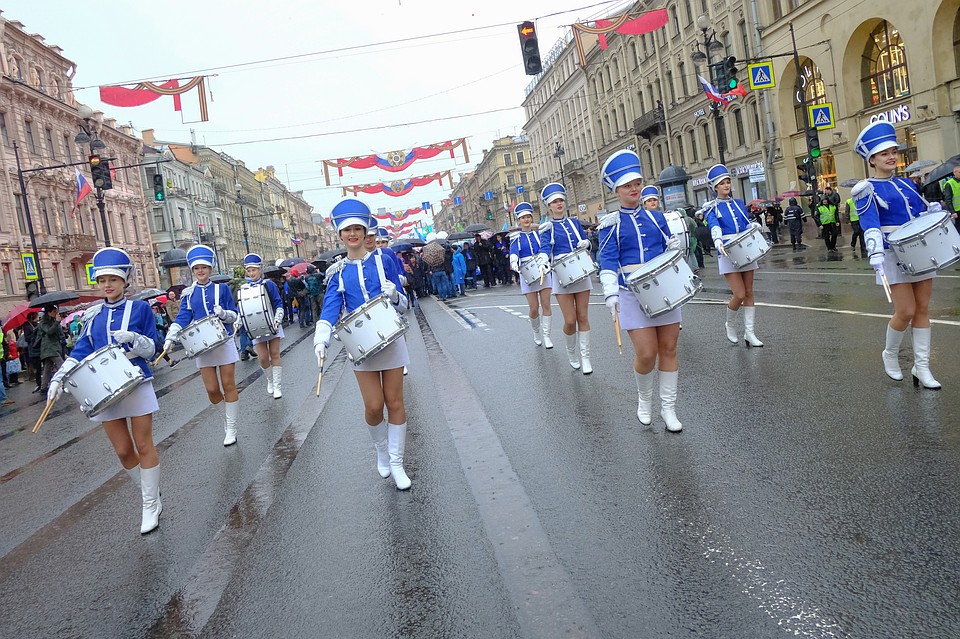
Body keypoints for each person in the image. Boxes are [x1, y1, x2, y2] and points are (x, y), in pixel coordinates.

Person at [47, 248, 162, 533]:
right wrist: (59, 378)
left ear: (125, 280)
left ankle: (149, 504)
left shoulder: (140, 309)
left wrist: (134, 339)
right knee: (123, 451)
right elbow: (80, 350)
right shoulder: (93, 314)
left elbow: (152, 348)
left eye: (113, 279)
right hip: (105, 388)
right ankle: (150, 493)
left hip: (136, 380)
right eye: (102, 280)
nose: (107, 285)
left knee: (144, 445)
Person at [313, 198, 412, 490]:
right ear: (341, 235)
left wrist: (395, 295)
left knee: (394, 402)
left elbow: (405, 306)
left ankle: (397, 462)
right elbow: (330, 308)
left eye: (358, 228)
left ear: (365, 230)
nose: (353, 234)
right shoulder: (337, 273)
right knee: (373, 406)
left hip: (391, 340)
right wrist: (322, 337)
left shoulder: (385, 260)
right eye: (347, 230)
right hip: (360, 346)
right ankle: (381, 451)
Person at [597, 150, 685, 431]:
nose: (633, 189)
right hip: (630, 293)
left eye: (636, 184)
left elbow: (669, 247)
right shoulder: (611, 224)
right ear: (616, 191)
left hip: (664, 289)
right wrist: (611, 293)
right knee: (647, 353)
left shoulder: (657, 217)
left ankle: (669, 410)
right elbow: (607, 260)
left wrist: (675, 250)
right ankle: (644, 399)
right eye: (627, 186)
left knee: (669, 348)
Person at [852, 121, 944, 389]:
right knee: (905, 310)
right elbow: (869, 222)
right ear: (872, 159)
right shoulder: (865, 188)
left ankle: (922, 367)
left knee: (923, 309)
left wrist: (932, 211)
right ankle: (890, 354)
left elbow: (918, 213)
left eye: (893, 151)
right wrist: (874, 251)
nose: (891, 156)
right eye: (884, 153)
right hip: (891, 254)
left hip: (919, 250)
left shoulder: (907, 184)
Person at [165, 245, 242, 445]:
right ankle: (225, 419)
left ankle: (231, 428)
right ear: (192, 270)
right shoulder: (189, 294)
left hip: (223, 341)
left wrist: (224, 314)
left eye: (204, 267)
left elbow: (234, 314)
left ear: (210, 269)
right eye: (196, 268)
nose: (200, 271)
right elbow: (183, 316)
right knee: (212, 390)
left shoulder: (221, 289)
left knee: (228, 385)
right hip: (201, 345)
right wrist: (172, 333)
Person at [704, 163, 764, 347]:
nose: (726, 185)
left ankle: (750, 333)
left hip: (745, 247)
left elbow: (745, 222)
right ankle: (730, 324)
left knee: (749, 292)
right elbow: (714, 225)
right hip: (726, 249)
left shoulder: (738, 203)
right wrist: (718, 240)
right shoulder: (711, 208)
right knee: (738, 293)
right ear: (715, 187)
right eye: (722, 183)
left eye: (728, 182)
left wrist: (752, 226)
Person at [536, 182, 594, 373]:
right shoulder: (547, 227)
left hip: (580, 270)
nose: (559, 204)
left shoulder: (574, 222)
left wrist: (587, 243)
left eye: (561, 200)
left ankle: (586, 358)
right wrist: (543, 258)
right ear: (549, 206)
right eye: (555, 202)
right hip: (561, 274)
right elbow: (544, 248)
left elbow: (582, 241)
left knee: (583, 316)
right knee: (570, 320)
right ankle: (571, 352)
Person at [239, 253, 286, 399]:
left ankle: (277, 386)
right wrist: (239, 320)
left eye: (254, 270)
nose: (252, 273)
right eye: (249, 270)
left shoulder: (269, 284)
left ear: (260, 270)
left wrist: (278, 316)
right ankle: (270, 380)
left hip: (272, 322)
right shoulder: (244, 288)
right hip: (255, 326)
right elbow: (242, 308)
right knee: (263, 358)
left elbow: (278, 302)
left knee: (275, 354)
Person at [509, 201, 554, 348]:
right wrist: (514, 261)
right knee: (534, 307)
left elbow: (545, 248)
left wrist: (545, 260)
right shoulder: (516, 237)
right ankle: (536, 331)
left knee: (546, 304)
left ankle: (547, 336)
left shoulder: (539, 234)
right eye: (523, 218)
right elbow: (514, 251)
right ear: (519, 220)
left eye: (528, 216)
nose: (526, 220)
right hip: (527, 272)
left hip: (542, 269)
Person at [37, 305, 64, 392]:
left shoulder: (53, 321)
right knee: (61, 364)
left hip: (54, 346)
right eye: (54, 312)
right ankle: (67, 382)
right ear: (49, 312)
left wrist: (58, 323)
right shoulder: (43, 322)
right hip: (49, 347)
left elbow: (59, 333)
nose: (56, 313)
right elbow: (49, 331)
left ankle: (43, 387)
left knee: (47, 367)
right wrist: (56, 322)